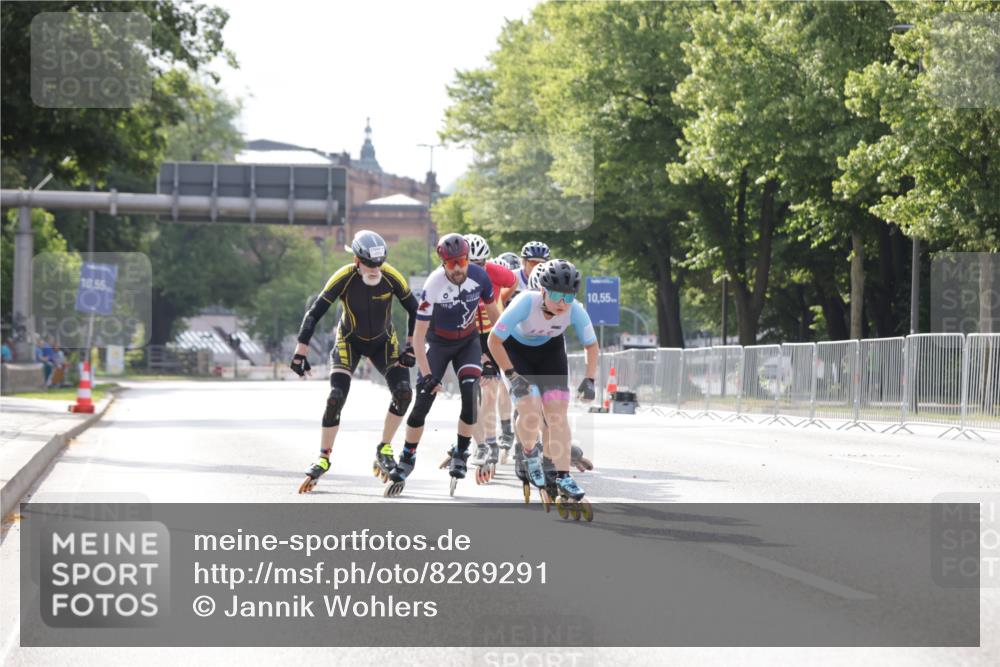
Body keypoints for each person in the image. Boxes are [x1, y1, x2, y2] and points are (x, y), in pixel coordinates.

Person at [292, 230, 419, 493]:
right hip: (349, 340)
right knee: (335, 397)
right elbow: (314, 312)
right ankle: (323, 458)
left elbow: (415, 309)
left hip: (384, 341)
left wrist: (410, 346)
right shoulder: (344, 276)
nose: (376, 269)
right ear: (357, 260)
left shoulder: (391, 276)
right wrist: (300, 350)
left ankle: (384, 448)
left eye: (380, 263)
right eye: (370, 264)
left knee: (404, 393)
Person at [386, 233, 502, 497]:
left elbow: (496, 320)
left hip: (468, 342)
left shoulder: (480, 277)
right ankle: (407, 456)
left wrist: (493, 356)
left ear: (468, 258)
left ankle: (461, 451)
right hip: (438, 344)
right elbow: (418, 336)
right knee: (422, 403)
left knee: (470, 393)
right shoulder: (433, 285)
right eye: (451, 264)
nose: (458, 268)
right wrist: (427, 375)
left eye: (462, 261)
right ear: (443, 264)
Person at [488, 259, 599, 519]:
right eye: (557, 295)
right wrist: (511, 374)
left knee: (557, 414)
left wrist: (590, 379)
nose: (563, 303)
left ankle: (563, 476)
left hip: (550, 352)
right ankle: (529, 452)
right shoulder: (525, 302)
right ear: (543, 291)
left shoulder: (575, 310)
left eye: (568, 296)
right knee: (530, 410)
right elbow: (493, 341)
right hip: (516, 353)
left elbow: (591, 345)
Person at [463, 234, 516, 483]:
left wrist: (501, 301)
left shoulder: (496, 272)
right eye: (471, 264)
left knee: (491, 390)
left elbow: (512, 281)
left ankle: (490, 441)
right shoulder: (453, 276)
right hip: (466, 334)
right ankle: (478, 441)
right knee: (471, 393)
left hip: (490, 334)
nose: (477, 269)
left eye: (481, 264)